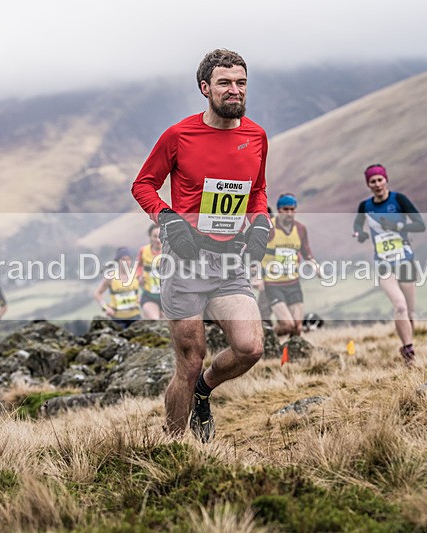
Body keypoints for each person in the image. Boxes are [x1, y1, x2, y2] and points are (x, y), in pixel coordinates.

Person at [131, 48, 270, 442]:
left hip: (231, 263)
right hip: (186, 262)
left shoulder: (256, 136)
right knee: (190, 362)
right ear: (205, 88)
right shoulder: (179, 136)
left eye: (241, 82)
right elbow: (143, 185)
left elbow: (258, 190)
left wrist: (260, 221)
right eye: (225, 83)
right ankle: (175, 449)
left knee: (250, 348)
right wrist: (168, 219)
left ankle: (204, 392)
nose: (234, 90)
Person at [353, 163, 426, 365]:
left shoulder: (399, 200)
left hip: (405, 260)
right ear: (368, 184)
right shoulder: (365, 207)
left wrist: (398, 226)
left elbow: (420, 225)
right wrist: (360, 235)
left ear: (386, 180)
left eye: (379, 180)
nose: (377, 184)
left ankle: (406, 345)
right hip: (384, 263)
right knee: (400, 306)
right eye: (372, 181)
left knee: (410, 313)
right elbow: (358, 228)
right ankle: (410, 354)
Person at [261, 193, 318, 336]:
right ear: (279, 210)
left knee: (297, 327)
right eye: (285, 209)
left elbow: (306, 252)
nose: (289, 213)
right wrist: (257, 276)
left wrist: (314, 265)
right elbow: (256, 251)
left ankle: (292, 355)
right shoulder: (269, 228)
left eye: (292, 209)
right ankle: (266, 339)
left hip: (293, 283)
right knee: (287, 325)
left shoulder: (300, 229)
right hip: (272, 284)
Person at [94, 247, 142, 329]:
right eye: (123, 259)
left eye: (128, 259)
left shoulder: (137, 274)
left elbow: (148, 288)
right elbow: (97, 293)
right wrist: (105, 308)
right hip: (117, 319)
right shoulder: (110, 277)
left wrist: (142, 298)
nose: (126, 262)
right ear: (118, 261)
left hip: (135, 317)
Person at [136, 225, 165, 319]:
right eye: (155, 236)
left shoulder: (170, 250)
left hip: (168, 297)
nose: (158, 239)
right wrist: (139, 276)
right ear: (150, 237)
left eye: (160, 236)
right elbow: (139, 265)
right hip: (149, 295)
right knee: (155, 322)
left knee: (169, 326)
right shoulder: (143, 250)